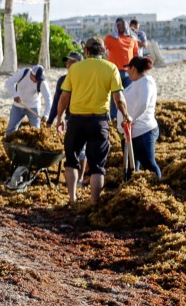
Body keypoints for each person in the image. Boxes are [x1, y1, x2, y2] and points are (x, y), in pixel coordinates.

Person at [55, 37, 130, 205]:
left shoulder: (75, 69)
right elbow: (119, 99)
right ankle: (94, 203)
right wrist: (125, 116)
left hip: (76, 120)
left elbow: (64, 97)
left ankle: (72, 199)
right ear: (103, 51)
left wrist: (59, 118)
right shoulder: (111, 68)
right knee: (97, 167)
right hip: (99, 121)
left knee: (71, 160)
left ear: (86, 51)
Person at [118, 56, 160, 178]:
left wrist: (131, 119)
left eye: (128, 68)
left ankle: (158, 186)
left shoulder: (146, 81)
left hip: (143, 131)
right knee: (132, 168)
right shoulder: (136, 83)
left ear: (134, 68)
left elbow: (143, 103)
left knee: (149, 164)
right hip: (130, 133)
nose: (127, 71)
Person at [3, 63, 48, 134]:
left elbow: (48, 99)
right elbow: (9, 83)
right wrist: (15, 95)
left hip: (33, 107)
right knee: (10, 130)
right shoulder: (23, 73)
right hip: (18, 106)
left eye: (39, 79)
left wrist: (46, 115)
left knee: (36, 132)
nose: (37, 81)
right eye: (36, 78)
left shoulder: (42, 82)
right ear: (31, 74)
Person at [45, 51, 82, 127]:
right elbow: (56, 101)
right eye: (68, 62)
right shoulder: (62, 80)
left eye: (72, 62)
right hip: (70, 119)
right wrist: (50, 121)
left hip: (87, 118)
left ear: (80, 64)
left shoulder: (87, 80)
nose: (68, 64)